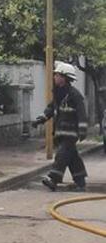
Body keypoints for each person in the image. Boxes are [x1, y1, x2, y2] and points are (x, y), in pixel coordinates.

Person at [35, 61, 89, 192]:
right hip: (60, 132)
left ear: (64, 77)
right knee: (72, 157)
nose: (54, 77)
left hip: (70, 133)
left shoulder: (75, 95)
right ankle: (80, 181)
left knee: (62, 155)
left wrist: (82, 130)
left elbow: (82, 114)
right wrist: (40, 119)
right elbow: (51, 108)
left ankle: (53, 179)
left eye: (57, 75)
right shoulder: (59, 94)